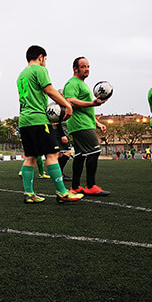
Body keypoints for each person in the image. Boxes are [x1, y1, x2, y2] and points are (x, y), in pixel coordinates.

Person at [16, 45, 83, 204]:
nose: (45, 62)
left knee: (31, 156)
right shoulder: (39, 70)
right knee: (52, 155)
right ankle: (62, 192)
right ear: (40, 57)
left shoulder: (21, 75)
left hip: (24, 120)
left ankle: (29, 193)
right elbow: (50, 90)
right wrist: (67, 105)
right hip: (38, 120)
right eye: (45, 59)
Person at [63, 57, 110, 196]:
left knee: (80, 155)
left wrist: (97, 123)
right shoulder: (72, 83)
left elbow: (86, 109)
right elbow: (69, 100)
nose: (87, 69)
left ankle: (75, 187)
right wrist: (93, 104)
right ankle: (90, 186)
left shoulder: (82, 84)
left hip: (84, 123)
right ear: (75, 69)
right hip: (80, 124)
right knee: (94, 152)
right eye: (83, 66)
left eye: (88, 66)